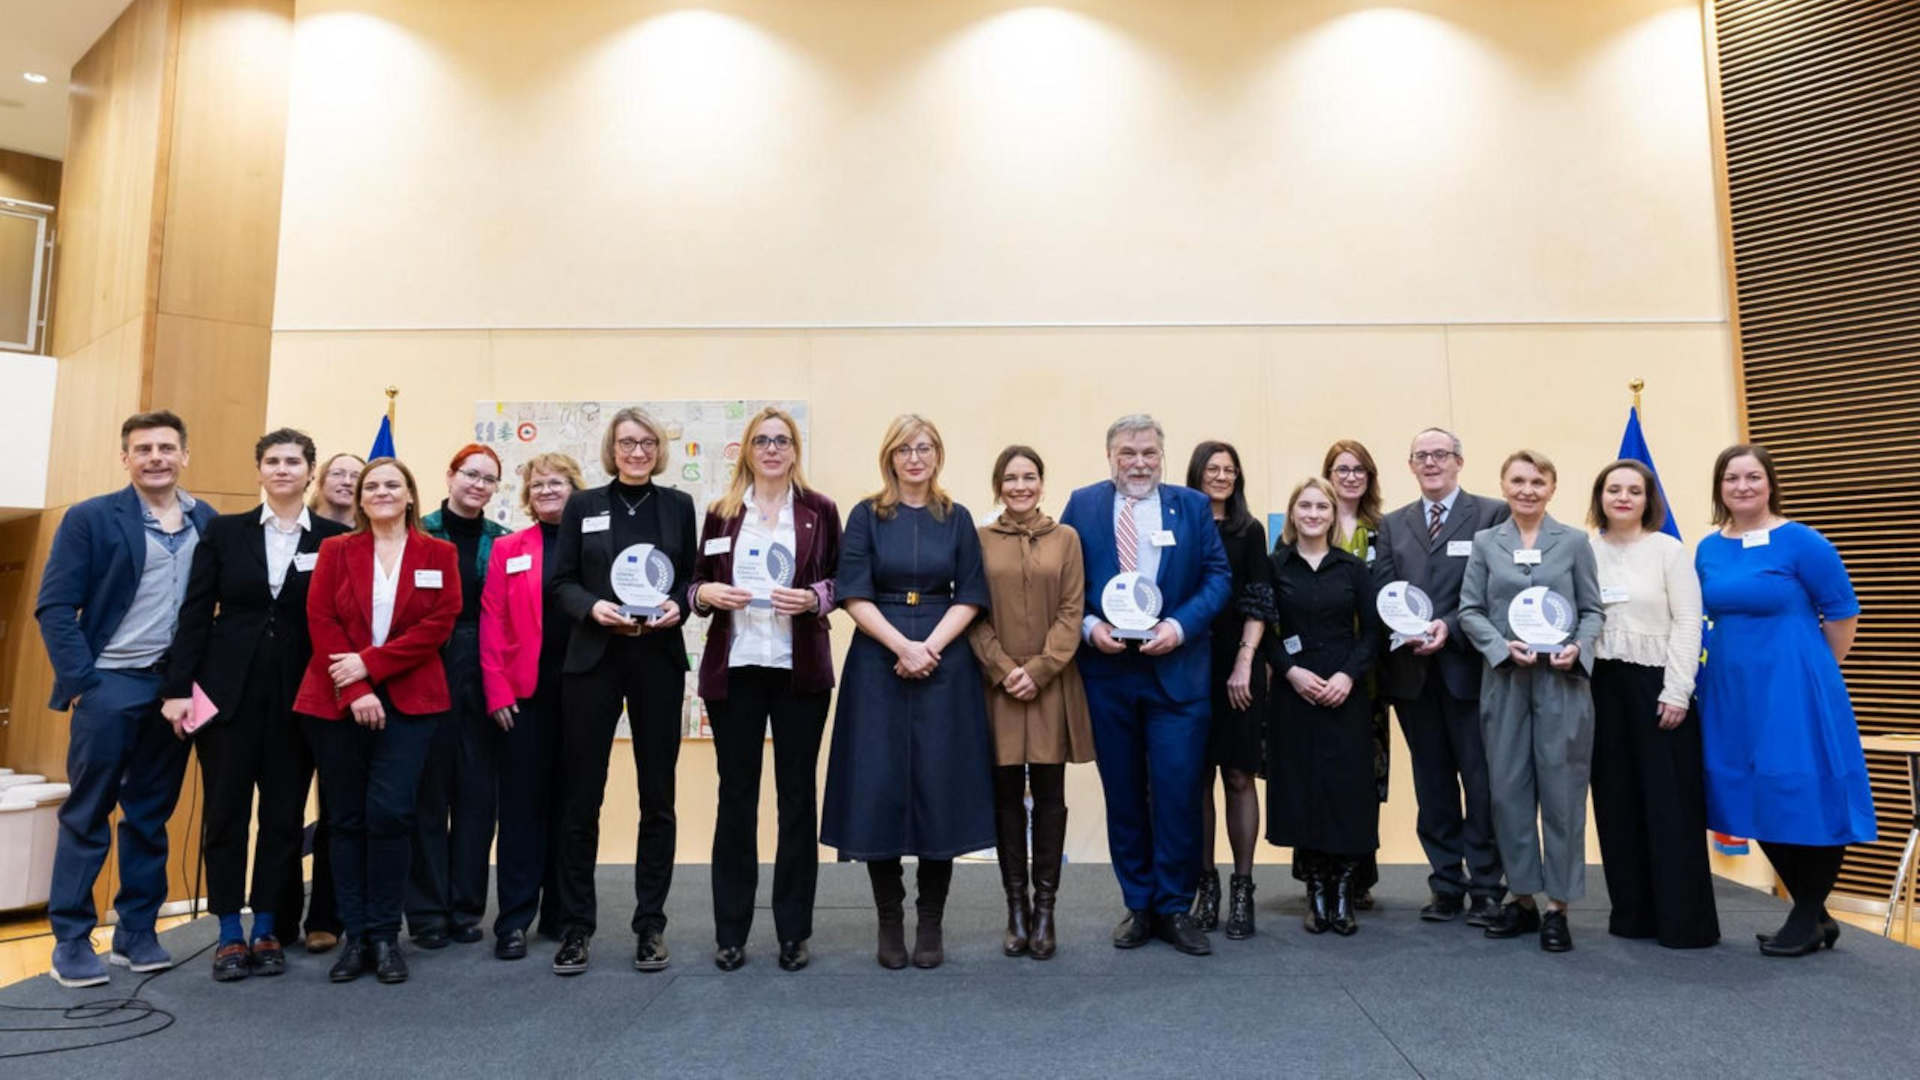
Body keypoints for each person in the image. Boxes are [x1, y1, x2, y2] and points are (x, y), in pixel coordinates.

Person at [35, 411, 218, 988]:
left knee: (149, 815)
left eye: (166, 447)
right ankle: (70, 938)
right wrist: (85, 683)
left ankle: (136, 930)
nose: (155, 457)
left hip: (175, 690)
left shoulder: (208, 520)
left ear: (185, 455)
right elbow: (55, 607)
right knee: (88, 812)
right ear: (125, 459)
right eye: (143, 449)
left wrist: (189, 684)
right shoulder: (90, 518)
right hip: (109, 682)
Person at [160, 429, 350, 981]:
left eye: (293, 461)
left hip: (300, 701)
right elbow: (196, 613)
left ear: (310, 471)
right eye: (272, 460)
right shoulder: (224, 532)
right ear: (260, 470)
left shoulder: (336, 540)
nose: (283, 469)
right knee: (225, 815)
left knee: (283, 819)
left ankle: (267, 927)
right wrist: (177, 690)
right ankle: (227, 931)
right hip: (226, 700)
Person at [821, 415, 994, 971]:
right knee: (878, 785)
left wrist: (929, 648)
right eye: (904, 449)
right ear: (889, 457)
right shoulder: (866, 515)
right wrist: (902, 646)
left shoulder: (957, 517)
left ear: (937, 455)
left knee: (940, 785)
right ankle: (890, 918)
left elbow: (970, 594)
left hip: (945, 659)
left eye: (924, 448)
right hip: (879, 657)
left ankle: (932, 920)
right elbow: (853, 593)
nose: (914, 458)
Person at [1060, 414, 1230, 958]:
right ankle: (1138, 904)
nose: (1139, 463)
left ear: (1162, 456)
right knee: (1125, 793)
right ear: (1110, 456)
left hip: (1177, 675)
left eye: (1149, 453)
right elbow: (1065, 582)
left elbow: (1218, 577)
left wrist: (1179, 627)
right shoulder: (1083, 505)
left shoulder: (1192, 506)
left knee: (1178, 794)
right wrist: (1090, 627)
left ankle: (1174, 907)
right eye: (1128, 453)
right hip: (1109, 675)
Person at [1695, 444, 1873, 957]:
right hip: (1730, 691)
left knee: (1806, 792)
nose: (1743, 486)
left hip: (1793, 687)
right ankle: (1815, 915)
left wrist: (1813, 673)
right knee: (1748, 792)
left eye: (1753, 476)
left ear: (1770, 483)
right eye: (1732, 478)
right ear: (1720, 487)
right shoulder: (1708, 548)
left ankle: (1804, 912)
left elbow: (1842, 614)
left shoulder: (1804, 542)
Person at [295, 457, 461, 984]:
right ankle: (357, 938)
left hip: (411, 701)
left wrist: (371, 664)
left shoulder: (440, 553)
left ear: (410, 495)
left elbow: (439, 623)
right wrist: (357, 687)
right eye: (372, 486)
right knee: (345, 819)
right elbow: (321, 620)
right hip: (337, 700)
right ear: (360, 499)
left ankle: (387, 936)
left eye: (393, 484)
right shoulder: (335, 550)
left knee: (390, 815)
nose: (382, 492)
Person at [689, 408, 842, 973]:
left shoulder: (820, 510)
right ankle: (730, 932)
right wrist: (707, 595)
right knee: (736, 799)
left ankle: (793, 932)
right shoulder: (723, 512)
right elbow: (694, 583)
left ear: (795, 449)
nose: (772, 449)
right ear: (747, 451)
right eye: (761, 440)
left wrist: (815, 598)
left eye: (781, 440)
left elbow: (841, 580)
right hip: (736, 670)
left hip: (798, 670)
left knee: (797, 800)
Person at [549, 407, 696, 976]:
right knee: (581, 798)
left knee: (657, 798)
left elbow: (689, 580)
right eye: (627, 443)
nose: (637, 452)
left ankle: (650, 925)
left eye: (647, 443)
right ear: (612, 449)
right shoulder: (583, 506)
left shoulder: (678, 506)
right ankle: (575, 928)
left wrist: (678, 605)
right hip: (594, 660)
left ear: (659, 449)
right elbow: (561, 582)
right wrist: (593, 608)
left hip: (657, 660)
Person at [1458, 449, 1604, 952]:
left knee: (1562, 795)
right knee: (1508, 793)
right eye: (1518, 481)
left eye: (1537, 482)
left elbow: (1592, 610)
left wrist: (1579, 646)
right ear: (1504, 486)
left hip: (1561, 684)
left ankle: (1558, 908)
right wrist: (1501, 647)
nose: (1527, 490)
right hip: (1506, 681)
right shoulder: (1485, 543)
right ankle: (1522, 899)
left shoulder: (1575, 542)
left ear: (1552, 488)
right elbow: (1470, 610)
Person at [1370, 427, 1509, 925]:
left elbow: (1495, 589)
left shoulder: (1491, 515)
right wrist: (1405, 628)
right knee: (1432, 786)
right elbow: (1384, 587)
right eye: (1421, 456)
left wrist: (1446, 627)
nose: (1431, 463)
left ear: (1459, 462)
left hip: (1468, 671)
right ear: (1411, 465)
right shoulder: (1392, 524)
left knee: (1481, 783)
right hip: (1412, 675)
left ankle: (1487, 884)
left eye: (1440, 455)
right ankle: (1446, 882)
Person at [966, 445, 1093, 961]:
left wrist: (1039, 670)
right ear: (998, 485)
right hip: (996, 682)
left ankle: (1045, 910)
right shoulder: (977, 540)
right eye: (1011, 478)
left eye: (1029, 477)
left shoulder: (1067, 539)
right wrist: (1002, 669)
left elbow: (1072, 610)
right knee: (1004, 799)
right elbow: (971, 612)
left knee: (1049, 796)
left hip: (1050, 682)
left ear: (1042, 483)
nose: (1020, 486)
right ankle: (1015, 909)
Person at [1585, 459, 1718, 948]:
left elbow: (1689, 622)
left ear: (1648, 500)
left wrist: (1677, 689)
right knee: (1615, 801)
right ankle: (1633, 916)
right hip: (1600, 686)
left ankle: (1684, 923)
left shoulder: (1669, 551)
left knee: (1670, 805)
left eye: (1634, 491)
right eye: (1614, 489)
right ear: (1600, 497)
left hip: (1658, 686)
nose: (1623, 497)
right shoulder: (1585, 551)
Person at [478, 452, 585, 961]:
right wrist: (496, 690)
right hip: (522, 698)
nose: (546, 490)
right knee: (521, 809)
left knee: (573, 807)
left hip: (583, 695)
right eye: (538, 484)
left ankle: (563, 915)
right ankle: (514, 920)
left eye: (556, 482)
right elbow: (492, 621)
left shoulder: (594, 546)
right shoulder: (508, 548)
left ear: (575, 489)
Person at [1266, 477, 1382, 936]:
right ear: (1292, 514)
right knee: (1302, 788)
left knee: (1347, 790)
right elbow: (1262, 633)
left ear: (1334, 514)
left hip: (1344, 693)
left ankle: (1344, 890)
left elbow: (1372, 633)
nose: (1313, 514)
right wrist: (1290, 672)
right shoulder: (1275, 566)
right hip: (1293, 694)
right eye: (1305, 506)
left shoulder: (1353, 569)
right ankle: (1315, 888)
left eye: (1322, 507)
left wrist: (1348, 676)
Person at [408, 445, 510, 949]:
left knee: (477, 796)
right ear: (450, 475)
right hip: (427, 664)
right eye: (471, 474)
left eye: (489, 479)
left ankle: (466, 908)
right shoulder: (418, 532)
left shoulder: (504, 541)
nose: (478, 485)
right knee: (428, 795)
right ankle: (427, 912)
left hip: (485, 666)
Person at [1185, 440, 1272, 940]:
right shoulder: (1181, 526)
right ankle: (1207, 888)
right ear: (1196, 473)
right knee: (1196, 780)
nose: (1222, 476)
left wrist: (1244, 662)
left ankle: (1242, 891)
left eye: (1230, 470)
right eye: (1213, 468)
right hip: (1187, 665)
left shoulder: (1250, 530)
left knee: (1239, 776)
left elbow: (1260, 601)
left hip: (1239, 666)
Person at [1321, 439, 1388, 910]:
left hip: (1369, 673)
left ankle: (1358, 875)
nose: (1350, 477)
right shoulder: (1308, 523)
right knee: (1320, 772)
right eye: (1341, 469)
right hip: (1315, 673)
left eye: (1359, 469)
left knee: (1365, 773)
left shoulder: (1385, 531)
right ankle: (1319, 873)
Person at [310, 452, 364, 527]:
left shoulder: (374, 532)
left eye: (356, 477)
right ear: (320, 481)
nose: (347, 482)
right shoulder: (299, 524)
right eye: (337, 473)